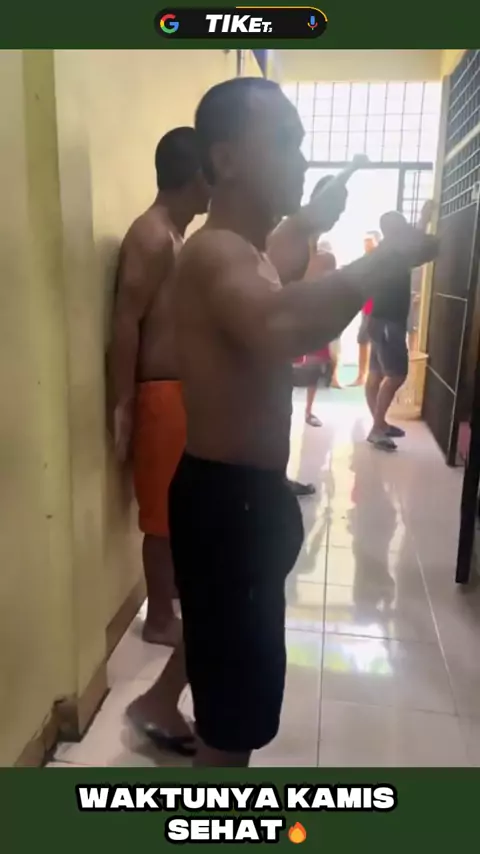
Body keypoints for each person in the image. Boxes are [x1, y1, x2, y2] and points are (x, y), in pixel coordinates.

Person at [139, 78, 438, 767]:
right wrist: (389, 256)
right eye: (285, 141)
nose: (301, 157)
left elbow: (276, 271)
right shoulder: (214, 252)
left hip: (241, 497)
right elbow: (279, 323)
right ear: (227, 159)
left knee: (228, 670)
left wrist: (313, 215)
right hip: (227, 501)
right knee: (233, 721)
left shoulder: (244, 250)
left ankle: (162, 706)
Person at [108, 128, 209, 647]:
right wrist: (123, 405)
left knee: (181, 509)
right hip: (160, 395)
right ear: (196, 177)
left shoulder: (175, 235)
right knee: (162, 517)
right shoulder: (151, 235)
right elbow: (126, 322)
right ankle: (160, 620)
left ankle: (173, 602)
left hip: (180, 393)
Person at [365, 201, 434, 451]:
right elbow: (417, 246)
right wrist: (424, 219)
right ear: (396, 230)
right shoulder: (394, 253)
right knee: (396, 375)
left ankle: (380, 424)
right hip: (388, 322)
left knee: (376, 374)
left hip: (379, 320)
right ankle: (377, 428)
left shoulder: (385, 251)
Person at [349, 233, 378, 387]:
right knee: (363, 337)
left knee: (375, 338)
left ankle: (371, 375)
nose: (366, 244)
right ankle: (362, 375)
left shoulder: (382, 259)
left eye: (369, 241)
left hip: (380, 303)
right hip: (367, 303)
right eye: (365, 241)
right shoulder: (364, 260)